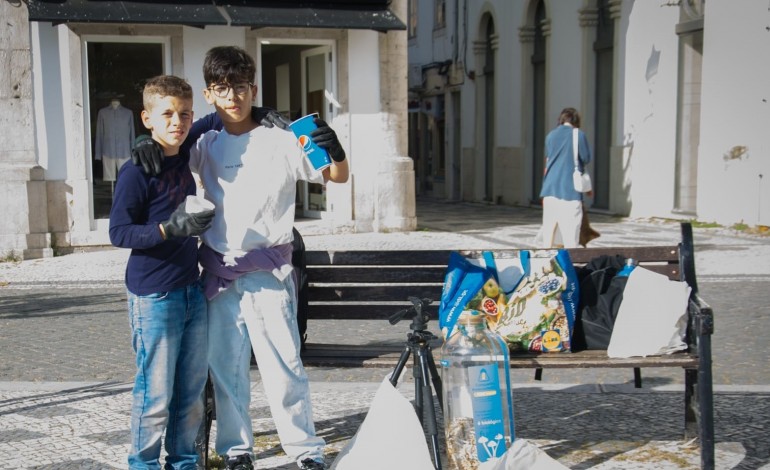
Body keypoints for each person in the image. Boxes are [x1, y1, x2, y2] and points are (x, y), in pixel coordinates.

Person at [195, 46, 348, 470]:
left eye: (240, 87)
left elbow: (335, 176)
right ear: (209, 93)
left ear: (253, 88)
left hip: (269, 271)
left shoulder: (282, 139)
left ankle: (304, 450)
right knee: (226, 370)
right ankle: (236, 449)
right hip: (220, 273)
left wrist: (335, 149)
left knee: (285, 367)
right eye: (222, 89)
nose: (233, 97)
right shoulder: (205, 142)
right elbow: (170, 159)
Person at [109, 75, 215, 469]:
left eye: (184, 114)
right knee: (155, 394)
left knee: (189, 394)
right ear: (146, 118)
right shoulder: (136, 170)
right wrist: (167, 229)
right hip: (153, 295)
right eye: (167, 114)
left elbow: (214, 120)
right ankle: (143, 464)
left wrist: (258, 111)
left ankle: (184, 462)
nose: (178, 122)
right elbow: (118, 231)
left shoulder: (183, 148)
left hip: (192, 290)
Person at [538, 107, 593, 248]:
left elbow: (547, 163)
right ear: (576, 121)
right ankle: (568, 268)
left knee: (548, 239)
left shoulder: (550, 136)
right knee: (570, 239)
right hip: (570, 193)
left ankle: (547, 267)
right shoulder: (578, 135)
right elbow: (586, 158)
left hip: (549, 192)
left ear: (561, 120)